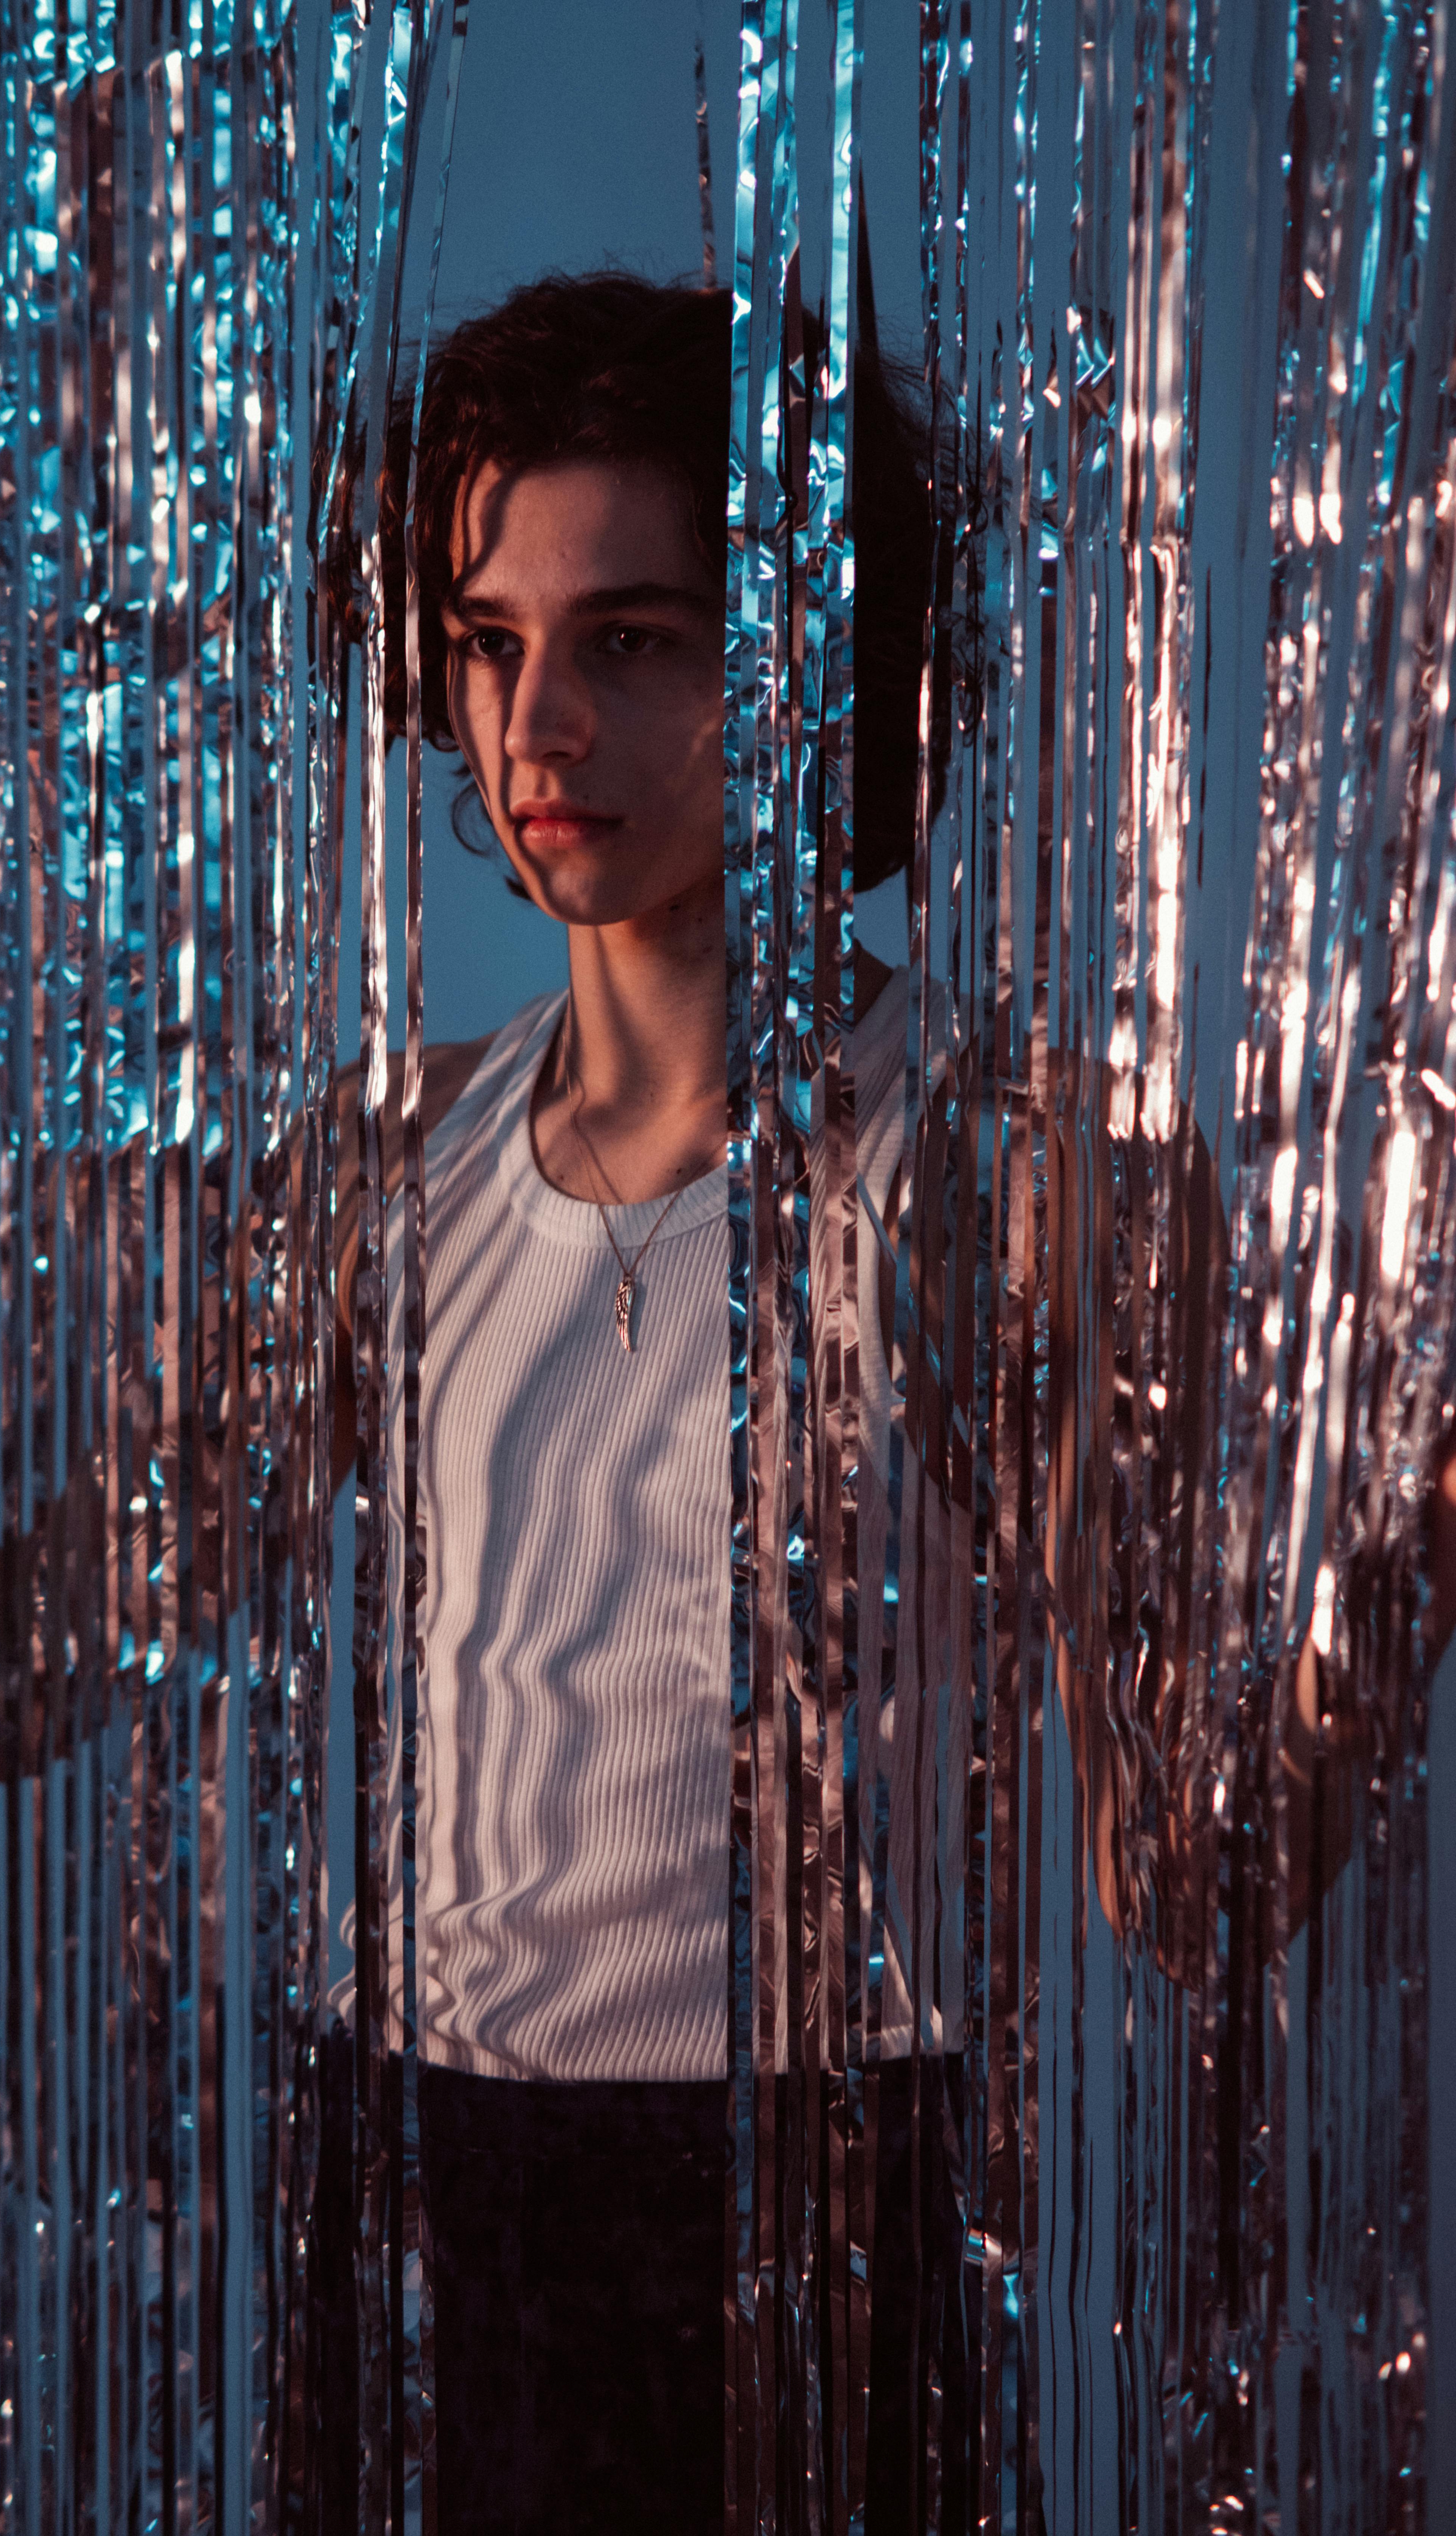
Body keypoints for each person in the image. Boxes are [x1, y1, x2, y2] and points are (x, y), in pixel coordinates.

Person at [305, 272, 1456, 2533]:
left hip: (813, 2218)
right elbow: (29, 1664)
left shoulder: (1017, 1176)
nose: (541, 725)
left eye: (635, 638)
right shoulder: (379, 1165)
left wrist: (1416, 1519)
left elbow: (1184, 1874)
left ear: (813, 661)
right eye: (490, 639)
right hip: (416, 2184)